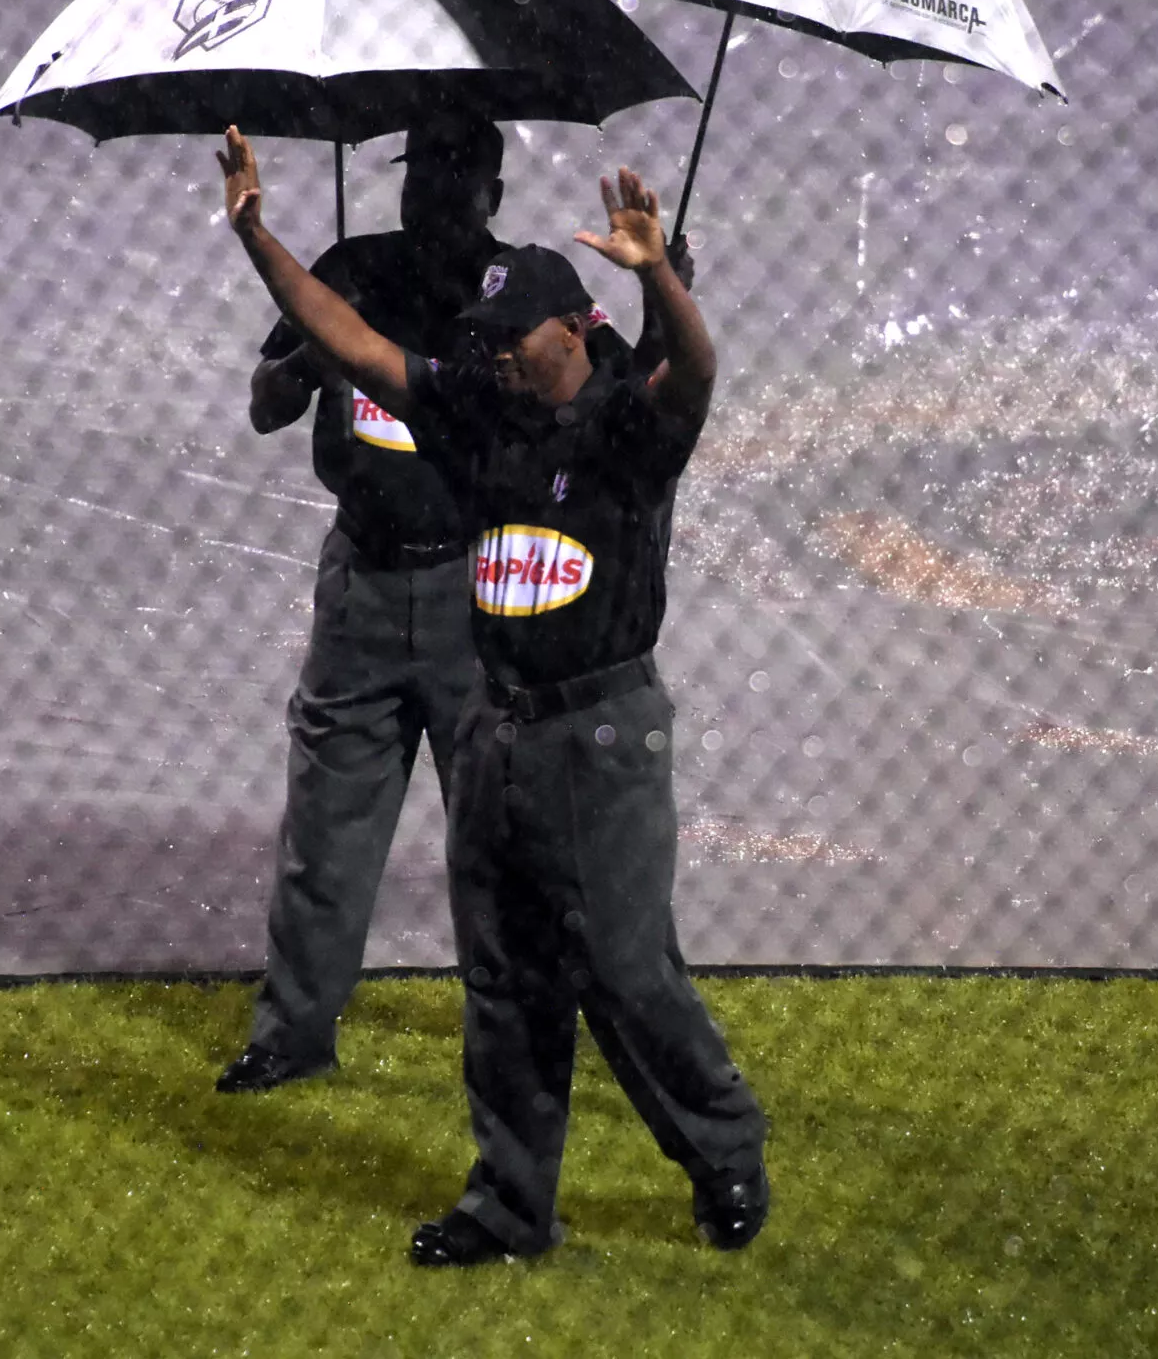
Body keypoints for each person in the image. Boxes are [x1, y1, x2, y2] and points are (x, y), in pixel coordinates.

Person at [216, 124, 771, 1264]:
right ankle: (511, 1203)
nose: (495, 357)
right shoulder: (478, 422)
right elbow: (360, 349)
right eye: (486, 342)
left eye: (511, 337)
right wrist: (258, 237)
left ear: (572, 326)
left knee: (623, 968)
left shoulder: (626, 428)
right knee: (505, 983)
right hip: (498, 732)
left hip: (602, 734)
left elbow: (695, 372)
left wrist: (660, 273)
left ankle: (723, 1147)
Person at [216, 111, 511, 1095]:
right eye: (421, 171)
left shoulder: (523, 289)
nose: (432, 191)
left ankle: (512, 1043)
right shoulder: (349, 267)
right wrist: (315, 351)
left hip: (479, 594)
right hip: (362, 586)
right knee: (326, 833)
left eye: (455, 174)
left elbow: (592, 409)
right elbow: (264, 406)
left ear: (492, 197)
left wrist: (657, 297)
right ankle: (293, 1032)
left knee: (499, 841)